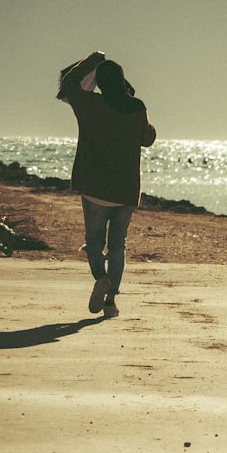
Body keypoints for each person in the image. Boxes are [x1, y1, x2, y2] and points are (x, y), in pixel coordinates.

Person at [58, 53, 156, 317]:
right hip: (124, 192)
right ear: (122, 81)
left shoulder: (89, 104)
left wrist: (93, 59)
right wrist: (134, 103)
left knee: (93, 241)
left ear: (99, 83)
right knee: (117, 246)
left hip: (95, 188)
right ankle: (110, 302)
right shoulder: (135, 107)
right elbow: (147, 139)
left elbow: (69, 84)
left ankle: (100, 277)